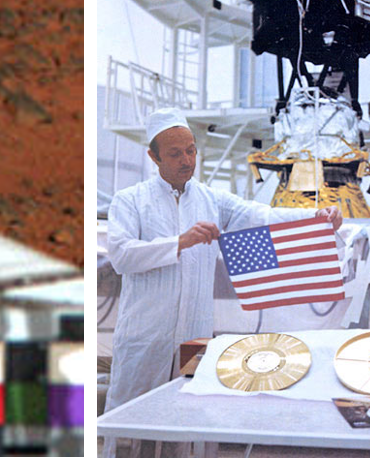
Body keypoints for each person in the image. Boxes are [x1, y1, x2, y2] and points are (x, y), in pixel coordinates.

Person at [101, 107, 341, 458]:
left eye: (191, 150)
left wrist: (315, 217)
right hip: (144, 338)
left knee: (187, 424)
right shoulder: (130, 201)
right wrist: (179, 243)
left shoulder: (210, 199)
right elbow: (121, 256)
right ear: (153, 157)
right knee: (129, 424)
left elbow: (261, 216)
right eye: (174, 153)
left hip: (193, 337)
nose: (186, 160)